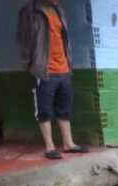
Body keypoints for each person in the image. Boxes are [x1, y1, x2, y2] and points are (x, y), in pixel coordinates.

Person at [17, 0, 89, 159]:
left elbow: (63, 38)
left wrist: (68, 65)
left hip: (64, 68)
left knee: (64, 108)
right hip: (44, 70)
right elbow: (23, 39)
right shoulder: (29, 12)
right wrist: (30, 65)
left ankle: (68, 144)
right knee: (44, 110)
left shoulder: (58, 10)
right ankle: (49, 147)